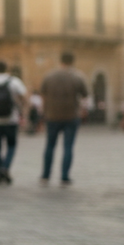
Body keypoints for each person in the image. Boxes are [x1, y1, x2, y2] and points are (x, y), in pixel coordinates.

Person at [40, 51, 88, 185]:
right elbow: (85, 96)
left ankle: (45, 175)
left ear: (60, 61)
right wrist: (83, 111)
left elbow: (43, 96)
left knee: (50, 146)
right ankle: (64, 176)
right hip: (71, 116)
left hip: (52, 116)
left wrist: (44, 112)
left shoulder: (49, 76)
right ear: (73, 61)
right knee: (68, 146)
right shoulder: (78, 76)